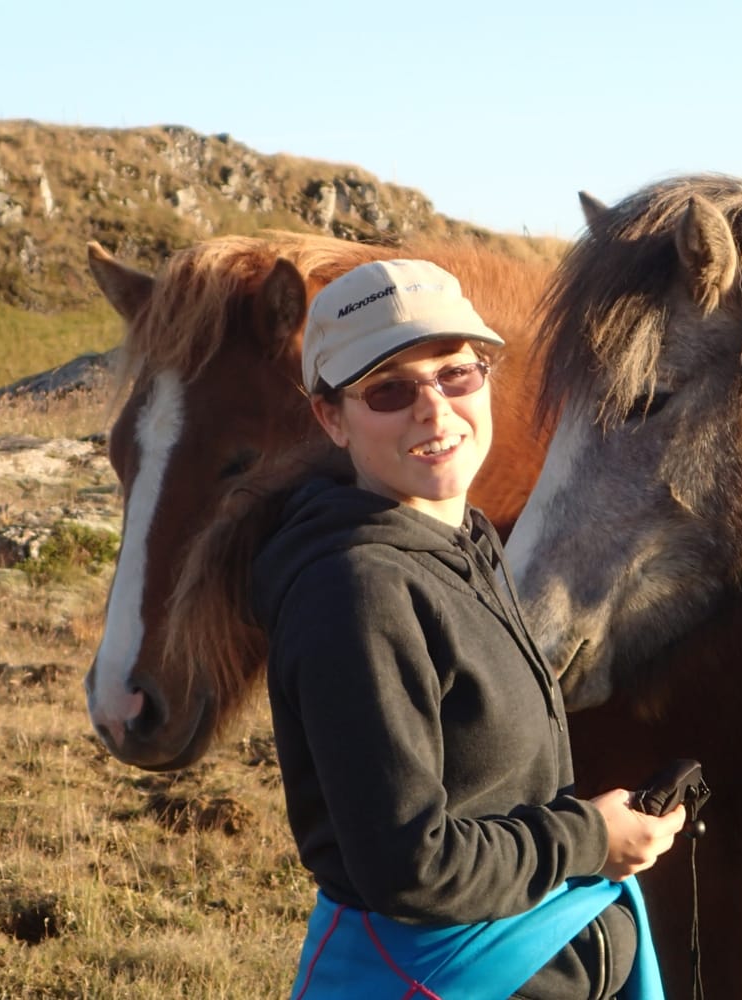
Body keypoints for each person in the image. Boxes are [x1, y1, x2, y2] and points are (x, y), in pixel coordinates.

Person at [250, 258, 686, 999]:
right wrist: (591, 840)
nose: (434, 408)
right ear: (331, 417)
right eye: (389, 389)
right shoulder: (358, 593)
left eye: (457, 373)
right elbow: (411, 866)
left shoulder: (467, 542)